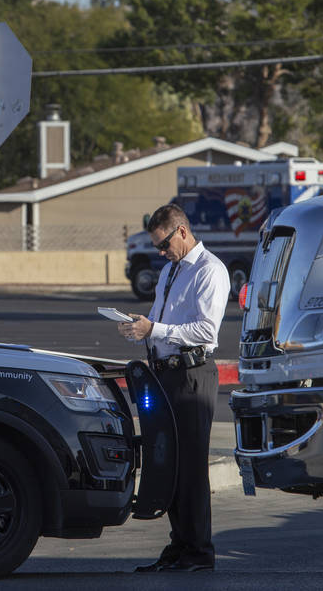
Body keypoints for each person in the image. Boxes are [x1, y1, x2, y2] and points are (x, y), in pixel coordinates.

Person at [118, 203, 230, 573]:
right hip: (165, 374)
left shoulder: (209, 270)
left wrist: (155, 330)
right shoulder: (169, 271)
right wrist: (140, 331)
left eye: (164, 244)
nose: (161, 253)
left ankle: (199, 550)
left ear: (181, 231)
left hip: (192, 374)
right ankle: (180, 545)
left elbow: (205, 330)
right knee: (171, 464)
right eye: (157, 248)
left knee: (192, 466)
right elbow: (161, 322)